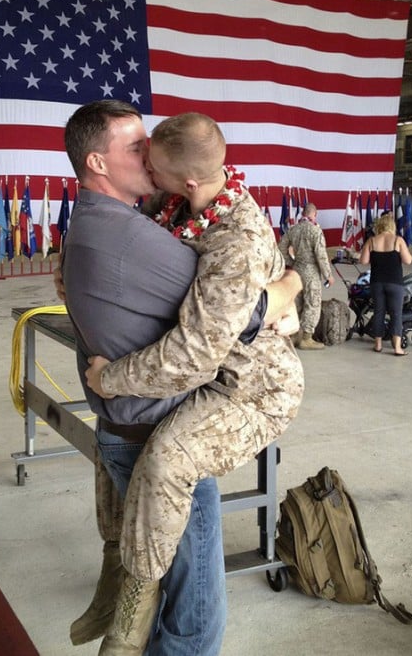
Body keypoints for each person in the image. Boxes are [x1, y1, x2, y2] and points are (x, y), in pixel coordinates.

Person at [60, 101, 302, 656]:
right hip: (203, 382)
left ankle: (131, 601)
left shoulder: (232, 237)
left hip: (248, 387)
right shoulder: (170, 207)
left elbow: (198, 349)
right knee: (138, 458)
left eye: (152, 153)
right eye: (137, 148)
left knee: (169, 460)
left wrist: (280, 294)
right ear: (98, 163)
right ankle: (124, 584)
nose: (147, 159)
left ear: (187, 178)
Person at [277, 202, 335, 350]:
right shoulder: (315, 231)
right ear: (315, 214)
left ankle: (294, 334)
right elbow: (321, 255)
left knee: (296, 302)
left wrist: (291, 262)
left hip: (297, 270)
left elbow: (281, 248)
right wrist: (328, 275)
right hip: (311, 272)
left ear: (303, 213)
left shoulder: (293, 229)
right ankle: (306, 338)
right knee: (312, 303)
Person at [359, 211, 412, 355]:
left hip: (377, 282)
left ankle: (378, 344)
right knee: (396, 314)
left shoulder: (371, 241)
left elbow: (363, 261)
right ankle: (397, 348)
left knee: (378, 312)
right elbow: (408, 260)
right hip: (395, 282)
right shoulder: (398, 240)